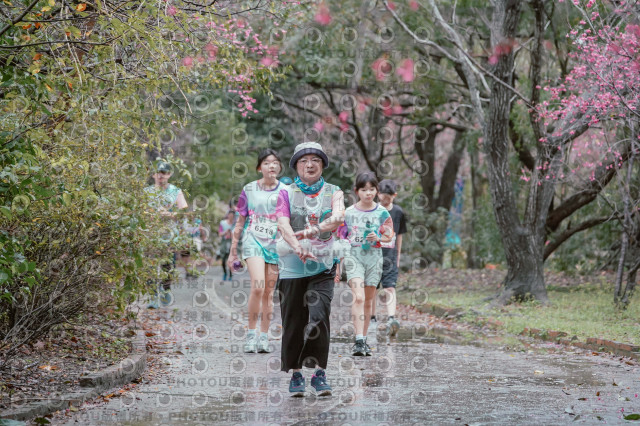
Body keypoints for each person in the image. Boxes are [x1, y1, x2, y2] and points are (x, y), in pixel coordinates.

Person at [276, 142, 345, 397]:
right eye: (304, 160)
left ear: (323, 165)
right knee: (294, 321)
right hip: (292, 268)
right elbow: (283, 224)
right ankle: (296, 374)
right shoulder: (285, 193)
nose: (310, 164)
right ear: (296, 165)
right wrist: (298, 247)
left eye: (315, 159)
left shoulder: (334, 191)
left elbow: (338, 217)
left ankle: (318, 373)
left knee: (319, 317)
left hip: (323, 266)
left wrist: (312, 231)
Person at [227, 149, 282, 354]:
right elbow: (240, 221)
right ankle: (251, 335)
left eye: (275, 162)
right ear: (260, 168)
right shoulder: (249, 189)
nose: (271, 166)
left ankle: (264, 337)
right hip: (253, 241)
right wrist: (233, 250)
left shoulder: (286, 191)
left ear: (279, 167)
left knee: (269, 293)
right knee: (258, 286)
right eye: (267, 163)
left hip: (276, 244)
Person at [338, 172, 393, 356]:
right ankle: (358, 340)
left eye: (371, 189)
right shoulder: (348, 213)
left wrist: (379, 237)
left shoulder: (382, 212)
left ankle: (364, 339)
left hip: (374, 258)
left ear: (377, 190)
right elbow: (341, 238)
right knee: (359, 297)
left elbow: (389, 235)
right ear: (357, 191)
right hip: (354, 257)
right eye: (364, 189)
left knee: (369, 300)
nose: (368, 193)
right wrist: (338, 265)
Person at [144, 161, 188, 309]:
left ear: (169, 174)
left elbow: (183, 211)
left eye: (164, 173)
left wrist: (170, 215)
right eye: (158, 172)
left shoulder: (176, 191)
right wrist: (151, 214)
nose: (160, 176)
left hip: (169, 234)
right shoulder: (147, 192)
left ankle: (166, 290)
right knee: (149, 265)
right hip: (151, 233)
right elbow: (141, 210)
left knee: (167, 265)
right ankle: (152, 296)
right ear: (153, 174)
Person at [377, 179, 407, 336]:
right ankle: (372, 318)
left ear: (394, 196)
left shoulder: (398, 212)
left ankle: (391, 318)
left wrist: (398, 255)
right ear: (378, 194)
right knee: (372, 288)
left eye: (389, 197)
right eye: (383, 196)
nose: (386, 200)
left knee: (390, 287)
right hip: (373, 255)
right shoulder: (372, 210)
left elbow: (399, 235)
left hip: (391, 255)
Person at [218, 210, 236, 281]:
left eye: (232, 215)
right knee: (223, 259)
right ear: (228, 215)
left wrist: (232, 234)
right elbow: (220, 234)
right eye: (230, 215)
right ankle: (225, 273)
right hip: (224, 243)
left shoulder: (235, 224)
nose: (231, 217)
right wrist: (225, 232)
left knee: (231, 260)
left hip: (232, 243)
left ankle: (231, 275)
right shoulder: (223, 223)